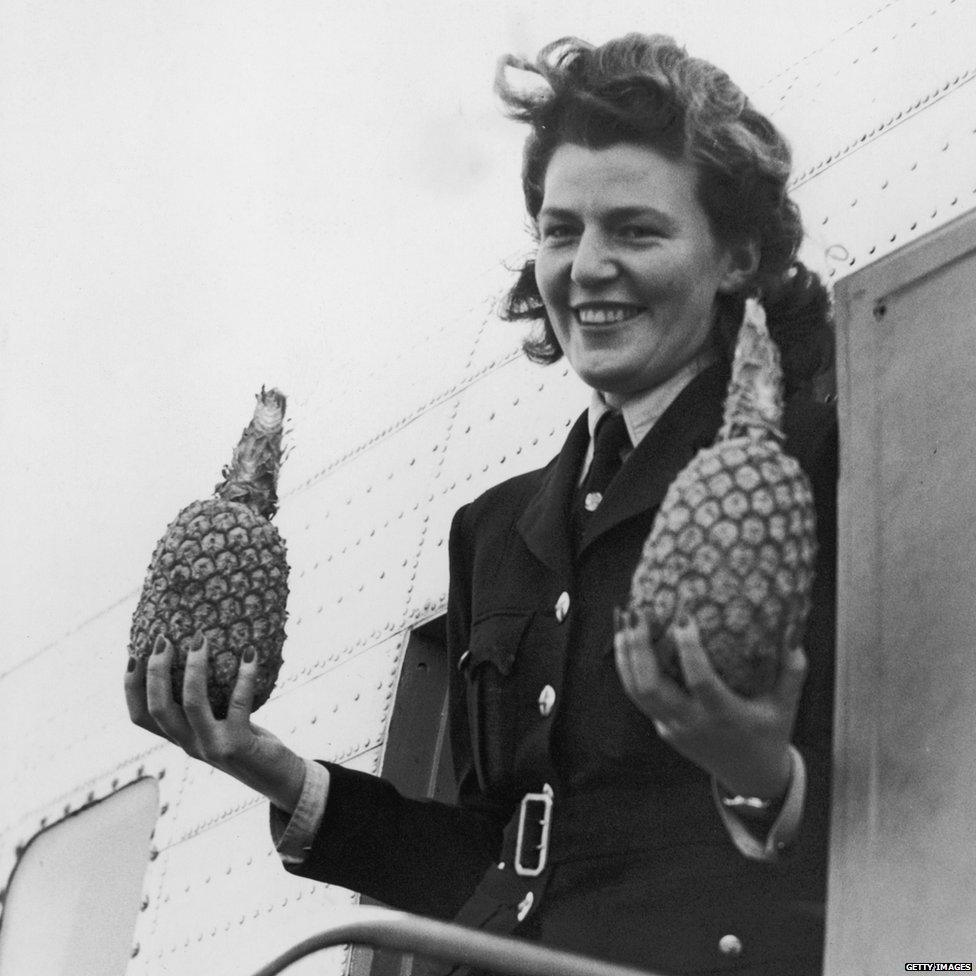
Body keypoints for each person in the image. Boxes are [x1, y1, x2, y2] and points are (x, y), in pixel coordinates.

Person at [126, 33, 837, 976]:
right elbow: (493, 862)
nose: (585, 267)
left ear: (738, 257)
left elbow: (923, 812)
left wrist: (762, 780)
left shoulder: (814, 461)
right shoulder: (497, 530)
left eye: (637, 230)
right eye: (559, 230)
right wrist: (266, 764)